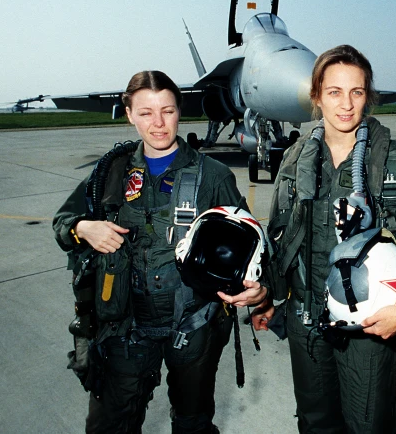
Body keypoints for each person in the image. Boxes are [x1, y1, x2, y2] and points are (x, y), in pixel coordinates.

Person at [53, 70, 268, 433]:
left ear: (179, 112)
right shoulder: (110, 173)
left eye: (167, 111)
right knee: (110, 424)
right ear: (129, 115)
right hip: (125, 324)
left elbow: (252, 246)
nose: (158, 123)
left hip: (193, 323)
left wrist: (260, 294)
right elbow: (63, 222)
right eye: (146, 113)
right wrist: (83, 228)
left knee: (192, 423)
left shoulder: (211, 175)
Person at [254, 45, 396, 433]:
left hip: (368, 325)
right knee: (314, 424)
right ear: (316, 96)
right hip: (306, 318)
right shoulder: (295, 159)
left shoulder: (391, 160)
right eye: (334, 92)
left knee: (369, 425)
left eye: (357, 92)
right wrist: (267, 298)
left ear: (368, 96)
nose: (346, 104)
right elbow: (279, 236)